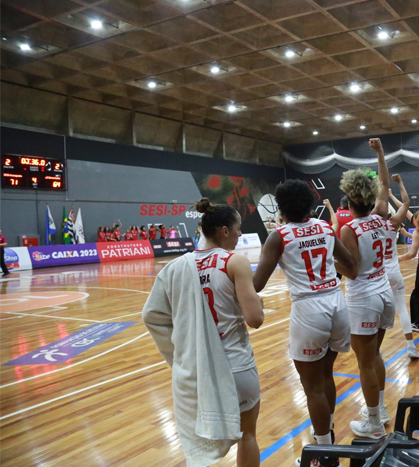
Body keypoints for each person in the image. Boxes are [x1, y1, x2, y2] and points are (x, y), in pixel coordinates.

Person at [144, 197, 264, 467]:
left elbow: (150, 315)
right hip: (235, 365)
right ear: (224, 231)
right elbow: (255, 319)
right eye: (238, 228)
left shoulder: (175, 267)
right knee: (248, 435)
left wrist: (179, 354)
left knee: (199, 448)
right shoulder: (234, 262)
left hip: (196, 372)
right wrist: (259, 303)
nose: (240, 234)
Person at [254, 180, 356, 466]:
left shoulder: (279, 236)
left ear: (281, 207)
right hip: (337, 302)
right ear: (310, 204)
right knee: (326, 376)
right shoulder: (325, 228)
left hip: (309, 308)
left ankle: (325, 456)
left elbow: (257, 284)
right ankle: (327, 433)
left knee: (312, 387)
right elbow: (348, 262)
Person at [339, 138, 394, 439]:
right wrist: (380, 154)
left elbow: (352, 269)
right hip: (383, 291)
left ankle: (373, 424)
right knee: (375, 357)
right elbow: (384, 183)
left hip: (363, 297)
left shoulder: (349, 228)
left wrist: (330, 262)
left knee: (366, 362)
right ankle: (380, 409)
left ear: (349, 200)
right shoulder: (381, 215)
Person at [383, 174, 419, 359]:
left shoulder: (368, 228)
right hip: (394, 271)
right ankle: (411, 346)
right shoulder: (393, 226)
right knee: (402, 309)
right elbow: (405, 202)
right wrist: (400, 183)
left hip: (378, 276)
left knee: (375, 315)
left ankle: (374, 352)